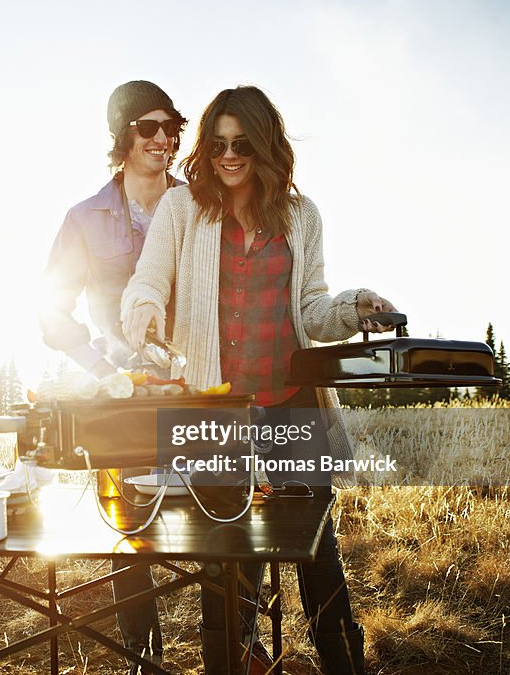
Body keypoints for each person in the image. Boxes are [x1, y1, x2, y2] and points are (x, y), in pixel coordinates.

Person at [122, 86, 395, 675]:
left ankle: (343, 664)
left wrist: (356, 306)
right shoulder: (182, 209)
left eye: (241, 143)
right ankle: (233, 664)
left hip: (294, 411)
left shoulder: (302, 217)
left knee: (318, 556)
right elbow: (148, 280)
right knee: (227, 564)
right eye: (217, 143)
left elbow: (314, 310)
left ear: (265, 144)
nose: (228, 155)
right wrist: (142, 307)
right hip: (217, 418)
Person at [40, 80, 186, 671]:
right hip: (120, 397)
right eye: (147, 127)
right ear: (122, 136)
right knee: (132, 538)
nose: (162, 138)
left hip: (198, 390)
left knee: (217, 524)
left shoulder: (200, 205)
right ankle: (143, 658)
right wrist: (102, 371)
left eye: (171, 126)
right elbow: (51, 310)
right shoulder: (83, 217)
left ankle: (233, 647)